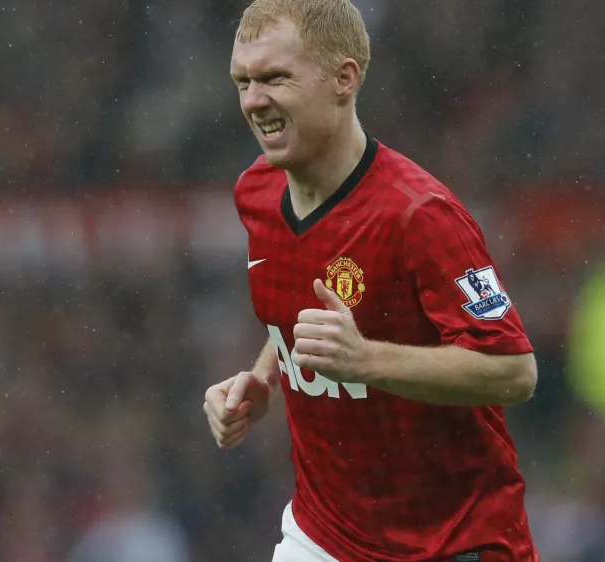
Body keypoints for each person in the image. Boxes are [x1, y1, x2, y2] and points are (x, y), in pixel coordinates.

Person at [202, 1, 539, 560]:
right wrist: (263, 378)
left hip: (451, 541)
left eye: (275, 78)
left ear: (344, 78)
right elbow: (302, 316)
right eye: (243, 81)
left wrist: (367, 362)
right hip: (323, 537)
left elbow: (514, 371)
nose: (253, 101)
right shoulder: (256, 193)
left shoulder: (419, 214)